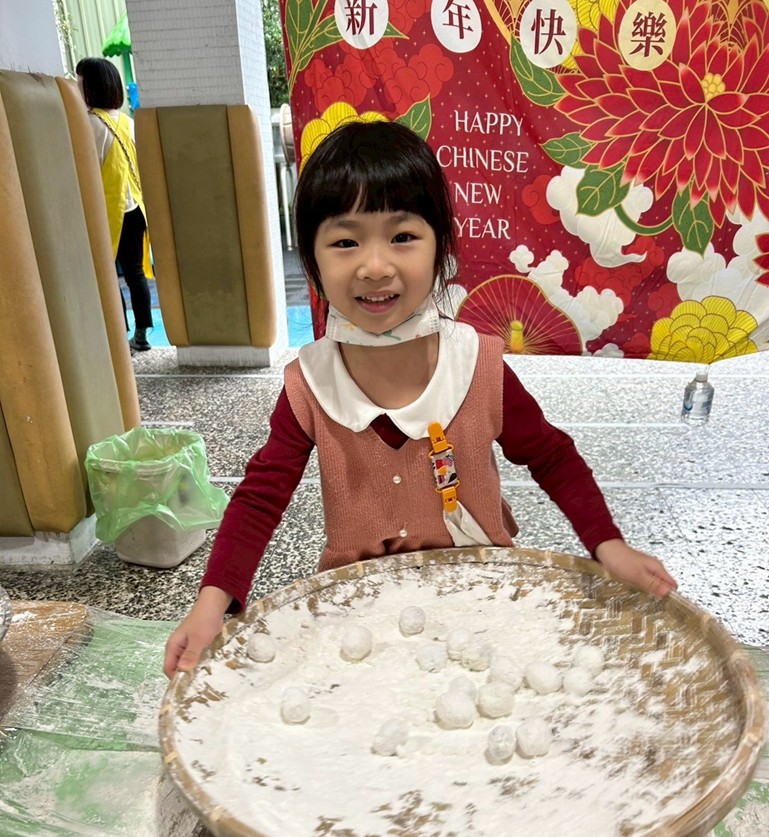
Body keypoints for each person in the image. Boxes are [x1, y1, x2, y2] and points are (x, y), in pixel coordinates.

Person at [164, 120, 677, 678]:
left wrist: (608, 545)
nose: (375, 266)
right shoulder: (310, 383)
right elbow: (260, 497)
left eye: (402, 236)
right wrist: (210, 604)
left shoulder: (476, 365)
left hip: (482, 600)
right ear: (311, 260)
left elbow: (552, 457)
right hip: (361, 616)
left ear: (440, 247)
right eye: (345, 242)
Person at [76, 57, 153, 354]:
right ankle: (142, 334)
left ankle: (120, 340)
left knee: (108, 275)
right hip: (136, 209)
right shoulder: (127, 122)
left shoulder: (89, 124)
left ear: (90, 87)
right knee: (134, 272)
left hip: (107, 212)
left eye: (80, 82)